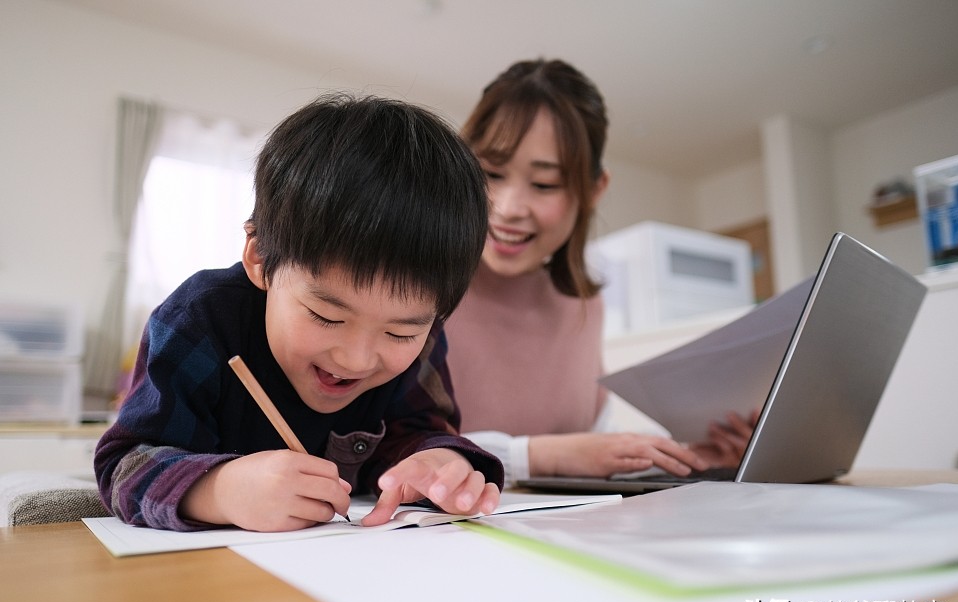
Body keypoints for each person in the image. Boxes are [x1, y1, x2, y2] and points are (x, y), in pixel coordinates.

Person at [95, 93, 503, 532]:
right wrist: (219, 490)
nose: (356, 359)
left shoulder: (425, 338)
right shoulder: (200, 318)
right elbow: (126, 464)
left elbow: (421, 430)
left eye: (400, 334)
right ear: (259, 258)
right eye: (327, 316)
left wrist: (441, 462)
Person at [445, 59, 754, 485]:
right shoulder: (421, 286)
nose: (509, 208)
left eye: (544, 184)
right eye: (492, 174)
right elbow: (393, 443)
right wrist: (540, 455)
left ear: (593, 190)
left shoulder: (583, 304)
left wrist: (690, 455)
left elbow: (593, 439)